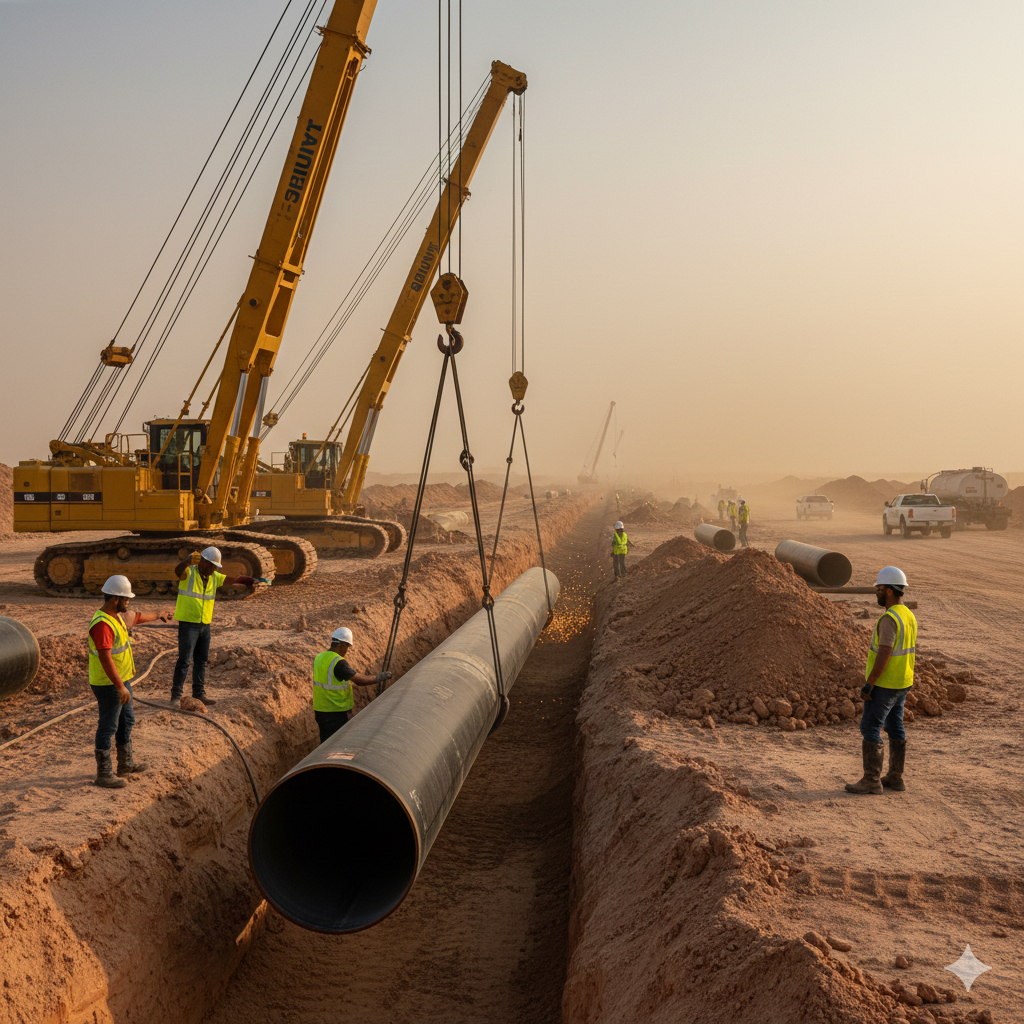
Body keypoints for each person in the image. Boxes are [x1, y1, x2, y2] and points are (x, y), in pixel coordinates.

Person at [88, 575, 171, 788]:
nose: (129, 603)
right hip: (109, 684)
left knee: (127, 721)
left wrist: (159, 614)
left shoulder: (117, 616)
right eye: (126, 599)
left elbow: (138, 617)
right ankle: (104, 774)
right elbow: (105, 657)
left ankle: (125, 764)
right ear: (115, 599)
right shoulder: (102, 624)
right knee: (108, 726)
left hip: (122, 682)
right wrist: (119, 686)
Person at [845, 566, 916, 795]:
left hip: (886, 683)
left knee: (870, 727)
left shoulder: (889, 618)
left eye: (878, 588)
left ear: (888, 591)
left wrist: (870, 683)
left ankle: (872, 780)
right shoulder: (908, 615)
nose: (876, 592)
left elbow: (885, 651)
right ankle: (895, 778)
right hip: (903, 681)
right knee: (895, 726)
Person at [170, 546, 260, 707]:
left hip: (205, 624)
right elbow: (178, 571)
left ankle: (199, 694)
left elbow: (233, 580)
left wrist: (250, 581)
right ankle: (176, 695)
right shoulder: (189, 572)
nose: (212, 569)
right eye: (211, 565)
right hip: (188, 624)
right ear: (202, 562)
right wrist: (186, 561)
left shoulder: (214, 577)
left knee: (201, 660)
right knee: (184, 661)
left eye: (215, 567)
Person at [313, 626, 391, 743]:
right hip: (335, 712)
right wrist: (378, 678)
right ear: (342, 644)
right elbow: (359, 680)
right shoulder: (338, 663)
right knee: (337, 743)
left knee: (326, 743)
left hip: (320, 711)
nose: (347, 651)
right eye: (347, 647)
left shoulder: (319, 657)